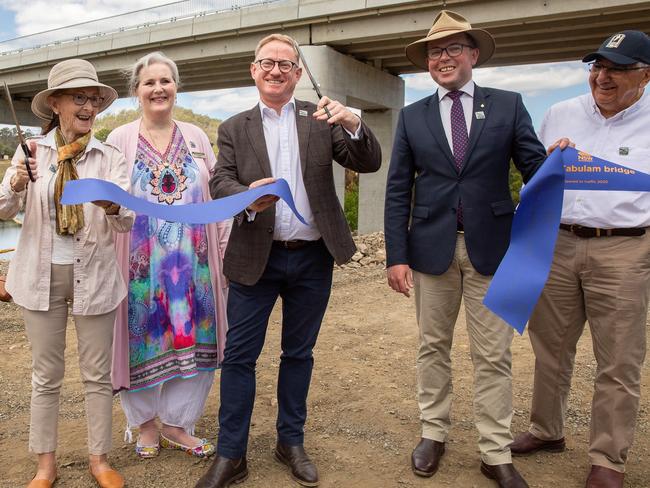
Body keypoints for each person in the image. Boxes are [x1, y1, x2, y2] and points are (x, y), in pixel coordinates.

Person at [195, 33, 382, 488]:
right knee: (239, 357)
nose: (276, 70)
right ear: (253, 71)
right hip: (254, 257)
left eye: (285, 64)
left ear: (298, 73)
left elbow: (369, 160)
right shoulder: (234, 126)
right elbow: (219, 181)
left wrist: (353, 121)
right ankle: (230, 454)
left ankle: (290, 441)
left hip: (312, 258)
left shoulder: (322, 118)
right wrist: (248, 196)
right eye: (267, 63)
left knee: (298, 353)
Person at [384, 10, 547, 488]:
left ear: (474, 55)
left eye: (455, 48)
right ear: (427, 63)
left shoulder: (508, 105)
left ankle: (494, 451)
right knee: (432, 347)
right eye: (436, 51)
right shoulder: (412, 117)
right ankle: (433, 432)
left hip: (494, 252)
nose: (444, 57)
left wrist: (558, 160)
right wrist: (396, 255)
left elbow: (534, 168)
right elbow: (398, 190)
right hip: (429, 251)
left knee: (493, 355)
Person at [510, 31, 650, 488]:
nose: (602, 76)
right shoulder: (560, 113)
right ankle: (546, 430)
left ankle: (608, 459)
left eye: (616, 68)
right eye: (596, 66)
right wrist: (546, 166)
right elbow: (534, 179)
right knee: (550, 346)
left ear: (644, 75)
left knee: (619, 360)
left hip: (626, 248)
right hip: (559, 241)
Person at [0, 59, 132, 488]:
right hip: (37, 277)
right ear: (54, 104)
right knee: (46, 375)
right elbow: (3, 210)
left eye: (93, 99)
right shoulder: (29, 153)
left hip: (94, 274)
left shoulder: (109, 156)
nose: (89, 106)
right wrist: (16, 182)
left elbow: (126, 220)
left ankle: (100, 460)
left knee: (97, 374)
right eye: (79, 98)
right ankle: (45, 465)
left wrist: (111, 204)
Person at [107, 52, 231, 459]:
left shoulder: (196, 137)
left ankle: (178, 425)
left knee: (196, 340)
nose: (158, 89)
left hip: (193, 267)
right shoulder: (119, 140)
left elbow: (217, 198)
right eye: (149, 83)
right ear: (137, 92)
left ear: (176, 88)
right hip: (140, 269)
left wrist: (226, 253)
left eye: (166, 81)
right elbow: (108, 205)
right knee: (139, 339)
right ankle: (144, 426)